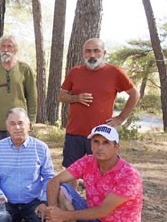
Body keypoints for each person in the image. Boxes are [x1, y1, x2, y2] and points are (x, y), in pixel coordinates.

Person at [45, 124, 143, 222]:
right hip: (93, 219)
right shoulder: (88, 161)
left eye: (105, 143)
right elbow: (54, 181)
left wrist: (62, 215)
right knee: (62, 189)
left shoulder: (129, 175)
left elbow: (103, 210)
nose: (99, 147)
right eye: (96, 142)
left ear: (116, 147)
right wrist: (52, 213)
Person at [59, 38, 139, 169]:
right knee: (71, 170)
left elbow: (134, 94)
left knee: (101, 170)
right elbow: (62, 96)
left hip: (101, 134)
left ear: (104, 53)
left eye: (96, 51)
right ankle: (71, 191)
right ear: (83, 53)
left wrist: (121, 118)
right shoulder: (75, 72)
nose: (92, 55)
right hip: (75, 131)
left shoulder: (115, 72)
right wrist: (76, 98)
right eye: (88, 51)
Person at [0, 108, 56, 222]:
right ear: (7, 128)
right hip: (7, 202)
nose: (17, 127)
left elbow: (49, 177)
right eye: (12, 124)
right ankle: (23, 218)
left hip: (33, 202)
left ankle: (29, 216)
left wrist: (43, 201)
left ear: (29, 126)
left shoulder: (41, 148)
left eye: (21, 123)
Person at [0, 35, 37, 153]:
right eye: (3, 46)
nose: (6, 49)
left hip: (19, 125)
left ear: (15, 49)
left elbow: (32, 97)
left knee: (20, 156)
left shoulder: (24, 69)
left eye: (9, 46)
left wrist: (30, 120)